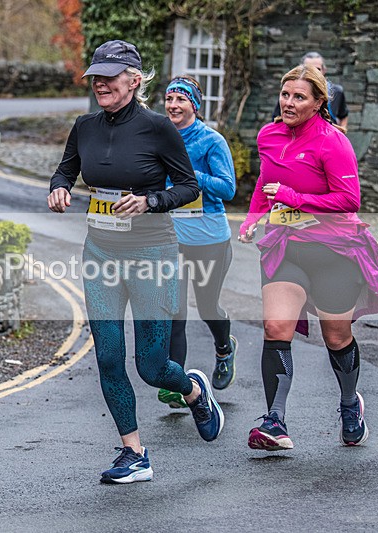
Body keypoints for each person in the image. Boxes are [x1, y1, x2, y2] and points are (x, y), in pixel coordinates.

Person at [47, 40, 224, 484]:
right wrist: (59, 187)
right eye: (96, 76)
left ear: (135, 79)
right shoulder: (85, 126)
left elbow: (188, 187)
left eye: (110, 75)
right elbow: (66, 169)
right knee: (108, 356)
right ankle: (135, 452)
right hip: (101, 254)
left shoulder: (158, 128)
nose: (101, 83)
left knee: (151, 366)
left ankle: (194, 390)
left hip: (152, 254)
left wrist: (151, 201)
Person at [238, 64, 378, 451]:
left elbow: (349, 200)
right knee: (275, 327)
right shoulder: (269, 134)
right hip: (287, 248)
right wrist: (253, 220)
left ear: (319, 102)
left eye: (299, 96)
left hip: (334, 251)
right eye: (285, 94)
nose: (288, 102)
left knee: (336, 336)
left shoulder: (333, 142)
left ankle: (351, 405)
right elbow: (265, 184)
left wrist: (295, 198)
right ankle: (275, 421)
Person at [157, 76, 238, 411]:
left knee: (207, 308)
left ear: (194, 105)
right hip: (169, 238)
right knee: (175, 311)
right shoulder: (159, 137)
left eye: (181, 99)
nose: (174, 105)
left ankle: (224, 347)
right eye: (169, 98)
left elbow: (228, 188)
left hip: (209, 239)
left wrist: (190, 174)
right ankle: (177, 383)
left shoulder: (211, 141)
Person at [272, 52, 349, 130]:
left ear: (324, 70)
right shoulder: (289, 95)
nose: (313, 74)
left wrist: (341, 132)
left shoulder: (337, 91)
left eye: (317, 69)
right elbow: (277, 119)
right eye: (309, 69)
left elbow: (343, 115)